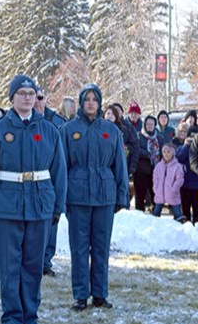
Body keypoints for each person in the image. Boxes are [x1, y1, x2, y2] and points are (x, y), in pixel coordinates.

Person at [0, 74, 67, 324]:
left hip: (39, 205)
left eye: (32, 94)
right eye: (22, 93)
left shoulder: (49, 131)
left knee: (33, 264)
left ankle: (31, 319)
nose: (28, 98)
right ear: (12, 97)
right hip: (7, 205)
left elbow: (59, 172)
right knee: (9, 264)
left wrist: (57, 206)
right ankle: (12, 320)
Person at [62, 83, 128, 310]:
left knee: (101, 246)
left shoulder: (111, 130)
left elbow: (119, 164)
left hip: (104, 195)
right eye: (87, 99)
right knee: (79, 247)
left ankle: (100, 293)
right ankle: (80, 294)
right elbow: (62, 167)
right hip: (78, 196)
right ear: (81, 102)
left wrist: (121, 195)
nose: (90, 102)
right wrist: (62, 197)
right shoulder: (69, 130)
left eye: (94, 99)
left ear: (99, 103)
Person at [35, 86, 67, 277]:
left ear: (45, 99)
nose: (37, 101)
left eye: (40, 97)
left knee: (52, 223)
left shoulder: (58, 123)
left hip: (52, 177)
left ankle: (46, 261)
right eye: (34, 97)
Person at [134, 115, 165, 212]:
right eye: (148, 124)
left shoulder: (159, 138)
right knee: (140, 195)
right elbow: (136, 150)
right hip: (141, 170)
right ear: (144, 125)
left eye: (152, 124)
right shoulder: (139, 136)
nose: (150, 126)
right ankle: (139, 215)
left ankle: (156, 215)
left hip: (155, 170)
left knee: (155, 194)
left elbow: (164, 150)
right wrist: (148, 154)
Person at [175, 124, 198, 225]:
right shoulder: (182, 147)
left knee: (196, 209)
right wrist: (186, 145)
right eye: (191, 137)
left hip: (197, 184)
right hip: (185, 184)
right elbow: (179, 158)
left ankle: (197, 226)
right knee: (185, 209)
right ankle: (186, 228)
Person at [152, 143, 185, 222]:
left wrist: (174, 189)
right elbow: (155, 178)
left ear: (173, 153)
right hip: (160, 193)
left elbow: (180, 179)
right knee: (156, 213)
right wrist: (155, 188)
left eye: (168, 152)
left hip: (172, 194)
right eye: (164, 152)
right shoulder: (159, 165)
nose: (166, 154)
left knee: (177, 213)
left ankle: (180, 226)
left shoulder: (177, 166)